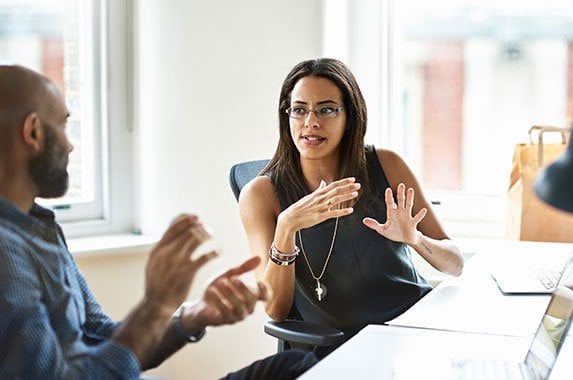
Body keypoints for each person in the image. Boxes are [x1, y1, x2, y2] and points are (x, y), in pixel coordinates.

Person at [0, 65, 317, 379]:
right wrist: (157, 303)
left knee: (297, 367)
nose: (70, 145)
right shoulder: (6, 251)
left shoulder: (39, 227)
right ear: (33, 132)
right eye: (62, 126)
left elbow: (105, 342)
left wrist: (193, 315)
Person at [238, 58, 465, 357]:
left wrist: (416, 240)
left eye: (327, 109)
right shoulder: (260, 194)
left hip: (413, 331)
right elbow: (275, 310)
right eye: (299, 109)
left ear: (351, 116)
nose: (311, 122)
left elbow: (456, 264)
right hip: (341, 349)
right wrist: (287, 227)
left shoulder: (387, 164)